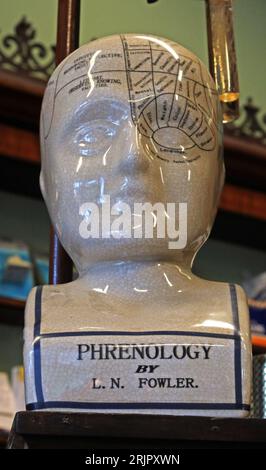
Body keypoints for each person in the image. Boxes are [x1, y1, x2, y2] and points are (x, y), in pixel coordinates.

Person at [24, 34, 251, 416]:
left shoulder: (228, 320)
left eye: (174, 132)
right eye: (91, 134)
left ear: (218, 182)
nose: (134, 157)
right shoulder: (47, 319)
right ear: (48, 184)